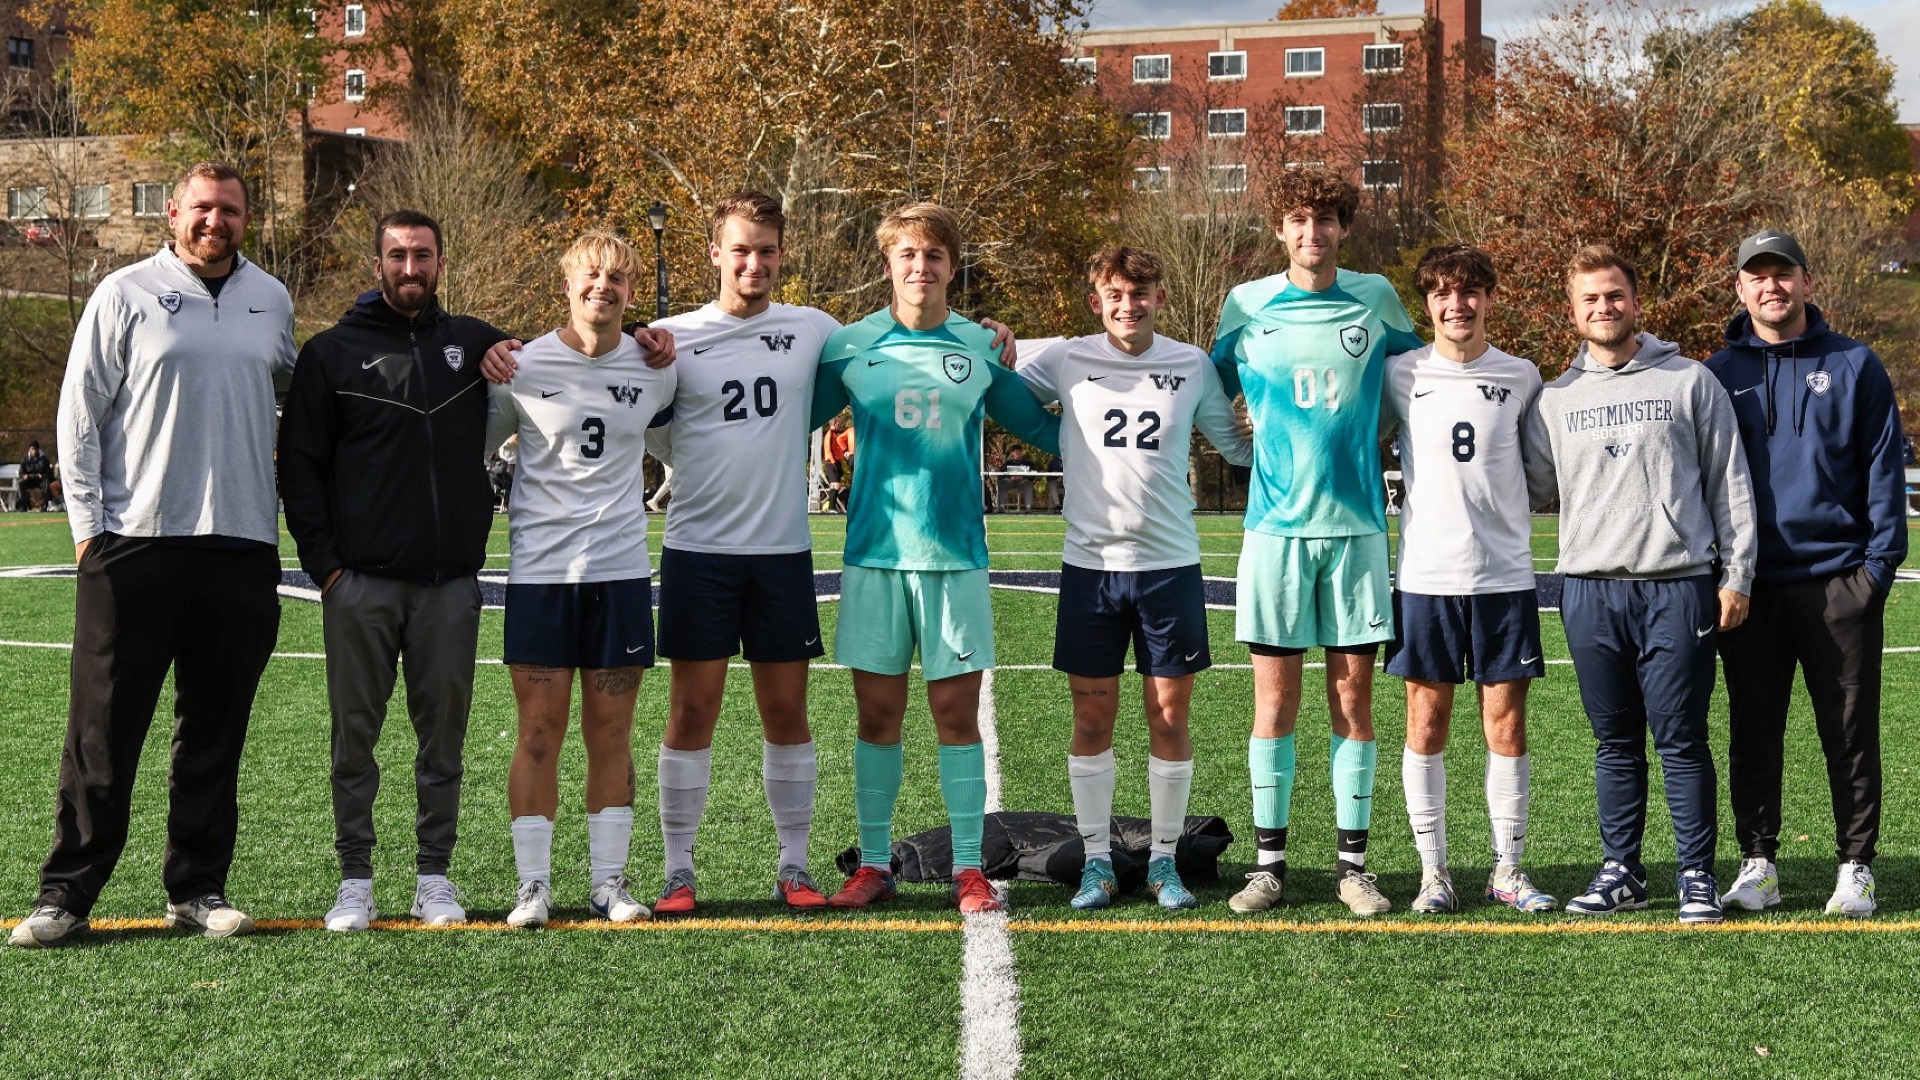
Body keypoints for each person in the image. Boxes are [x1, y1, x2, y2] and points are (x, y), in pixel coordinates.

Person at [11, 162, 294, 948]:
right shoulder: (123, 293)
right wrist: (88, 532)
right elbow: (79, 413)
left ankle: (196, 888)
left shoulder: (271, 300)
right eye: (202, 208)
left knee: (214, 731)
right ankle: (66, 893)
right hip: (133, 542)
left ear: (247, 218)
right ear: (172, 213)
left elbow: (298, 402)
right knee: (102, 730)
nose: (215, 221)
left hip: (239, 545)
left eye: (229, 210)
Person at [810, 202, 1058, 914]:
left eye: (934, 256)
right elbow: (783, 419)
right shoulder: (850, 345)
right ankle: (873, 864)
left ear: (952, 267)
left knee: (956, 715)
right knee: (876, 715)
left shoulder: (979, 346)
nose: (921, 267)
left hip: (955, 558)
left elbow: (1041, 427)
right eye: (908, 255)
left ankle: (970, 868)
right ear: (888, 263)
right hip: (874, 557)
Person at [277, 210, 510, 931]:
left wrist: (643, 334)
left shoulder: (473, 341)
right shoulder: (330, 353)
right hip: (361, 585)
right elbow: (300, 468)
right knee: (355, 742)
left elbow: (574, 347)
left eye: (423, 255)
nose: (412, 268)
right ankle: (355, 880)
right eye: (398, 255)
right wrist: (327, 570)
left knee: (444, 743)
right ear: (376, 264)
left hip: (449, 586)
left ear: (441, 262)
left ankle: (434, 877)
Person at [1210, 166, 1422, 917]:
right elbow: (1203, 384)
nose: (1312, 233)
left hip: (1357, 528)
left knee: (1353, 702)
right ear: (1280, 229)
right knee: (1274, 704)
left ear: (1343, 229)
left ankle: (1352, 869)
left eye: (1325, 220)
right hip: (1274, 532)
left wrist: (1377, 436)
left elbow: (1418, 378)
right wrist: (1240, 447)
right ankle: (1268, 868)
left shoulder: (1377, 297)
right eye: (1299, 220)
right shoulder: (1245, 304)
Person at [1523, 244, 1755, 924]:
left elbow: (1730, 483)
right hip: (1590, 590)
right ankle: (1622, 870)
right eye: (1590, 299)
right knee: (1614, 742)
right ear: (1573, 312)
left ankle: (1696, 875)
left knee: (1681, 739)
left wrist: (1737, 574)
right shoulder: (1554, 399)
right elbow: (1527, 488)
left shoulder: (1689, 380)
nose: (1604, 307)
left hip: (1677, 585)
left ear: (1636, 302)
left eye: (1614, 295)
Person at [1015, 245, 1251, 910]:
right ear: (1097, 301)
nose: (1128, 306)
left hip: (1168, 569)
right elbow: (1006, 396)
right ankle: (1097, 861)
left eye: (1140, 293)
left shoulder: (1190, 364)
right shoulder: (1065, 358)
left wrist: (1276, 425)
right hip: (1091, 571)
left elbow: (1234, 446)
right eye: (1115, 295)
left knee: (1168, 717)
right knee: (1092, 717)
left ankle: (1165, 862)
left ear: (1159, 298)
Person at [638, 192, 844, 913]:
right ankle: (678, 872)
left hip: (782, 551)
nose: (753, 263)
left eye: (766, 250)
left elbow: (902, 336)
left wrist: (991, 335)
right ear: (714, 254)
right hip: (699, 550)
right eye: (740, 250)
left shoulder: (815, 328)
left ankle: (794, 866)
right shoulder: (669, 336)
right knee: (692, 711)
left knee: (785, 710)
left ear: (782, 255)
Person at [1706, 230, 1907, 919]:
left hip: (1839, 582)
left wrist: (1876, 571)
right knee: (1753, 729)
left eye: (1783, 273)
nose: (1772, 286)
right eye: (1757, 276)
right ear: (1740, 288)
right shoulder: (1715, 373)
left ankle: (1856, 866)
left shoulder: (1854, 364)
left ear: (1806, 282)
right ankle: (1759, 864)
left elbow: (1884, 471)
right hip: (1749, 586)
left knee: (1849, 732)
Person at [486, 231, 677, 929]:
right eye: (591, 275)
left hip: (620, 574)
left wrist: (660, 340)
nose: (603, 286)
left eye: (617, 278)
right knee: (538, 732)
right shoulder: (521, 365)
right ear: (567, 285)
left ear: (631, 291)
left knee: (612, 734)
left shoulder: (657, 368)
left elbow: (678, 437)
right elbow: (472, 448)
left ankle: (608, 883)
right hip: (540, 576)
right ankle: (532, 886)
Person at [1381, 245, 1555, 915]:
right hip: (1426, 576)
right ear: (1427, 304)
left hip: (1504, 577)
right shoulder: (1399, 373)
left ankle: (1507, 869)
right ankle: (1434, 874)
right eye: (1443, 294)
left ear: (1489, 298)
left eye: (1470, 292)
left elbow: (1540, 472)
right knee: (1426, 725)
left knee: (1505, 727)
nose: (1458, 305)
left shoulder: (1522, 375)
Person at [822, 413, 854, 513]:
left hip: (836, 462)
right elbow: (828, 449)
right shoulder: (830, 434)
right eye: (839, 424)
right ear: (835, 424)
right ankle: (831, 507)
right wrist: (833, 462)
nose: (840, 426)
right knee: (834, 485)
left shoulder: (835, 434)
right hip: (832, 463)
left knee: (837, 485)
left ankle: (832, 506)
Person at [17, 439, 51, 511]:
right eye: (33, 449)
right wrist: (24, 476)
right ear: (29, 449)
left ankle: (44, 505)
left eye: (36, 449)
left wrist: (43, 476)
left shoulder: (44, 459)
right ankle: (23, 505)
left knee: (46, 484)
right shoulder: (25, 459)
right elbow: (21, 473)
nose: (34, 451)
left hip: (40, 480)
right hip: (29, 480)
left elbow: (49, 473)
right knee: (20, 483)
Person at [998, 446, 1034, 513]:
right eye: (1016, 451)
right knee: (1002, 483)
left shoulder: (1028, 463)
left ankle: (1028, 507)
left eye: (1019, 451)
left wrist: (1023, 477)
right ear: (1012, 453)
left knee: (1028, 484)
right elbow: (1001, 473)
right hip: (1010, 482)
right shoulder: (1007, 463)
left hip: (1023, 482)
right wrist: (1010, 477)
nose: (1018, 453)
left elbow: (1033, 474)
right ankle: (1001, 506)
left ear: (1022, 452)